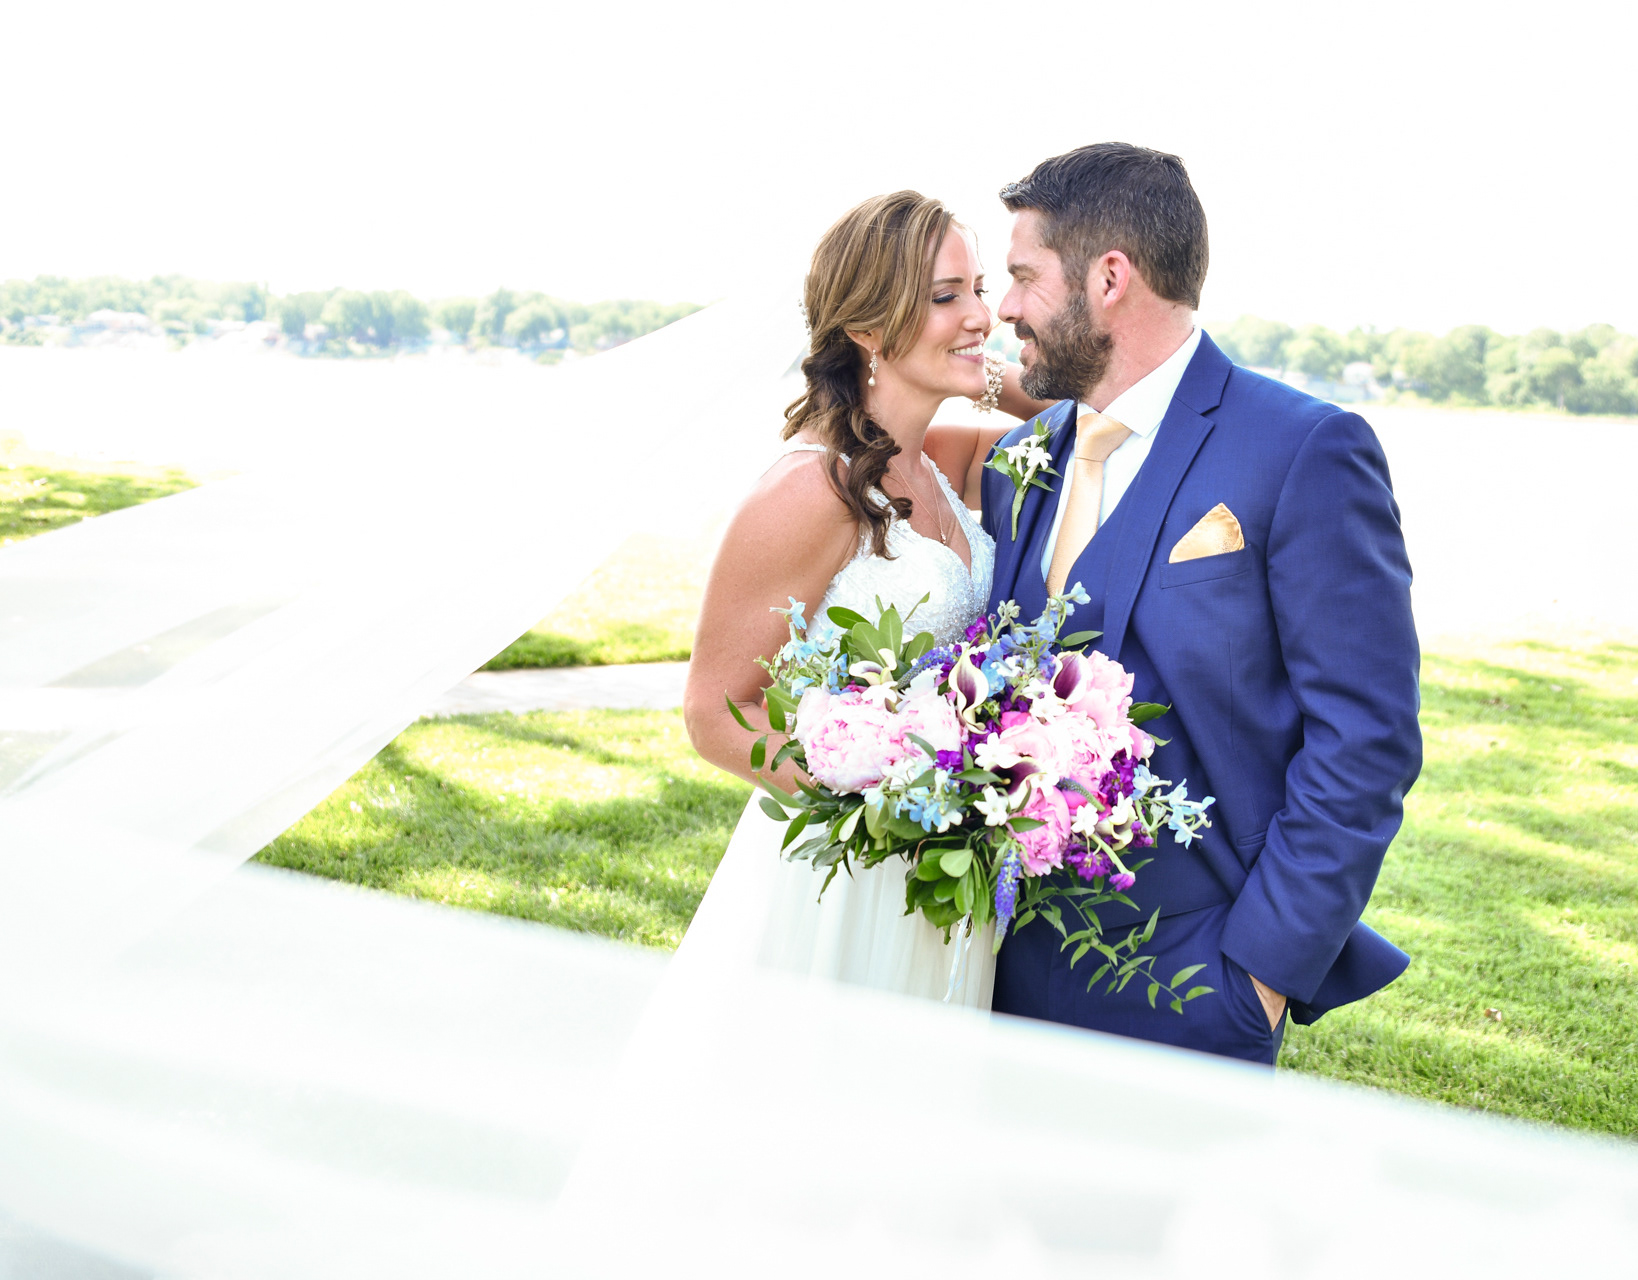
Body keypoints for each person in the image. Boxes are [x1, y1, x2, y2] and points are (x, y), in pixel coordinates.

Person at [981, 143, 1421, 1065]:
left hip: (1194, 987)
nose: (1005, 308)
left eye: (1023, 276)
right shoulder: (1022, 459)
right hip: (992, 970)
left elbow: (1366, 737)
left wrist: (1259, 977)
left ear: (1109, 278)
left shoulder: (1303, 450)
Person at [678, 190, 1046, 1004]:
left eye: (980, 289)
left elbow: (1075, 416)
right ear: (869, 329)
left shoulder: (940, 460)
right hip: (853, 871)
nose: (982, 315)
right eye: (946, 296)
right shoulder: (810, 489)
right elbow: (713, 713)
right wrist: (888, 807)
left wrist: (974, 362)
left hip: (945, 861)